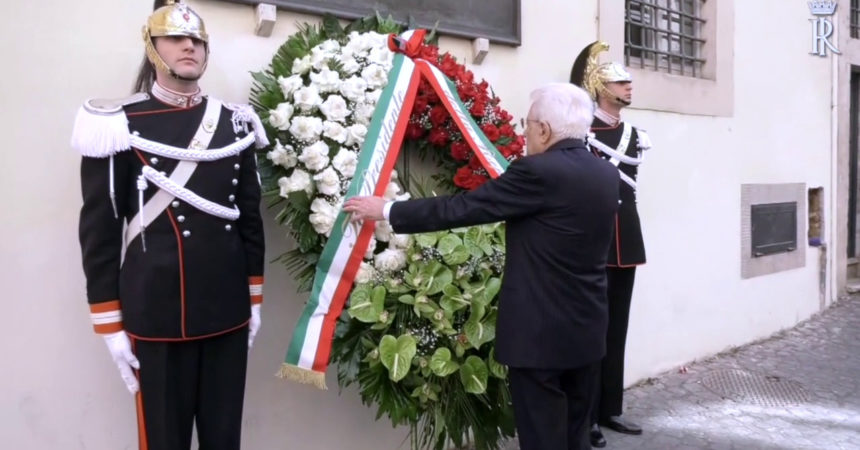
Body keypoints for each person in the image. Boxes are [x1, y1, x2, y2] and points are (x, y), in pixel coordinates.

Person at [344, 83, 620, 450]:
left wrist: (389, 210)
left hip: (540, 339)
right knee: (576, 437)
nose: (524, 131)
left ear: (544, 131)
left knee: (543, 439)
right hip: (587, 330)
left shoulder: (539, 172)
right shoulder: (605, 174)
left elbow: (465, 208)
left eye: (528, 122)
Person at [72, 1, 268, 448]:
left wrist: (253, 297)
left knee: (224, 440)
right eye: (176, 38)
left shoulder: (234, 123)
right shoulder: (117, 125)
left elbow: (249, 220)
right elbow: (100, 232)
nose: (189, 46)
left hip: (227, 310)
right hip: (157, 315)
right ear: (152, 47)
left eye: (197, 40)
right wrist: (109, 323)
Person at [570, 41, 652, 448]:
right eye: (621, 81)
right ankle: (586, 417)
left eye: (629, 81)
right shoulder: (584, 131)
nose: (628, 86)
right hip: (595, 238)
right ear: (602, 87)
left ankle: (610, 409)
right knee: (591, 332)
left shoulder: (636, 134)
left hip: (627, 238)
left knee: (616, 328)